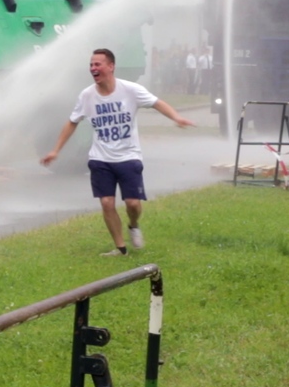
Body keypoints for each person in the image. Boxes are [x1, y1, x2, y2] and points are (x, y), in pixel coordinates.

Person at [41, 48, 194, 256]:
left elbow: (157, 103)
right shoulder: (87, 96)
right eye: (91, 65)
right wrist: (56, 150)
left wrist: (176, 118)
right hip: (100, 158)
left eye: (98, 64)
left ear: (111, 66)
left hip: (129, 156)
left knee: (132, 203)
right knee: (106, 202)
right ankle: (121, 249)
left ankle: (133, 225)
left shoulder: (131, 90)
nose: (93, 68)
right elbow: (72, 122)